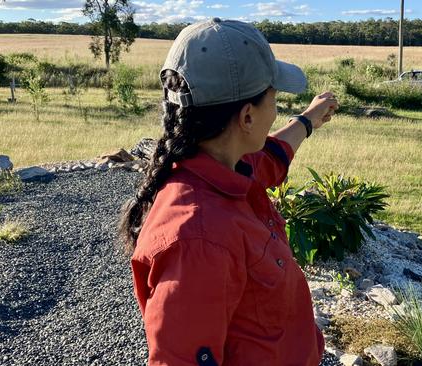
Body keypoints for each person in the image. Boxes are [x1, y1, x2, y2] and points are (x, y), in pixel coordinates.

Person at [118, 18, 338, 366]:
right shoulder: (198, 239)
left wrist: (309, 119)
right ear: (247, 117)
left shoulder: (219, 165)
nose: (277, 108)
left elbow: (270, 159)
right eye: (274, 97)